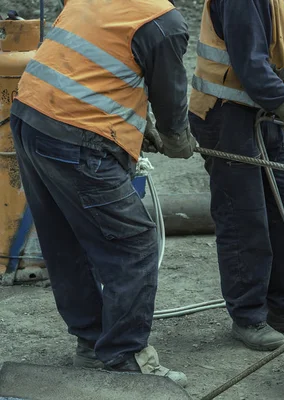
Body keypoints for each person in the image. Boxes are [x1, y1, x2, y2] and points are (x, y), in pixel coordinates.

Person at [9, 0, 195, 385]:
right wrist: (178, 138)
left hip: (31, 116)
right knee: (134, 243)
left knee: (64, 238)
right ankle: (125, 356)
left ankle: (92, 343)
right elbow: (170, 98)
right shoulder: (163, 23)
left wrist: (132, 123)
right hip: (75, 139)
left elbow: (93, 64)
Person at [188, 0, 284, 351]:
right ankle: (248, 316)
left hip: (268, 111)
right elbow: (250, 62)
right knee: (244, 220)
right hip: (227, 114)